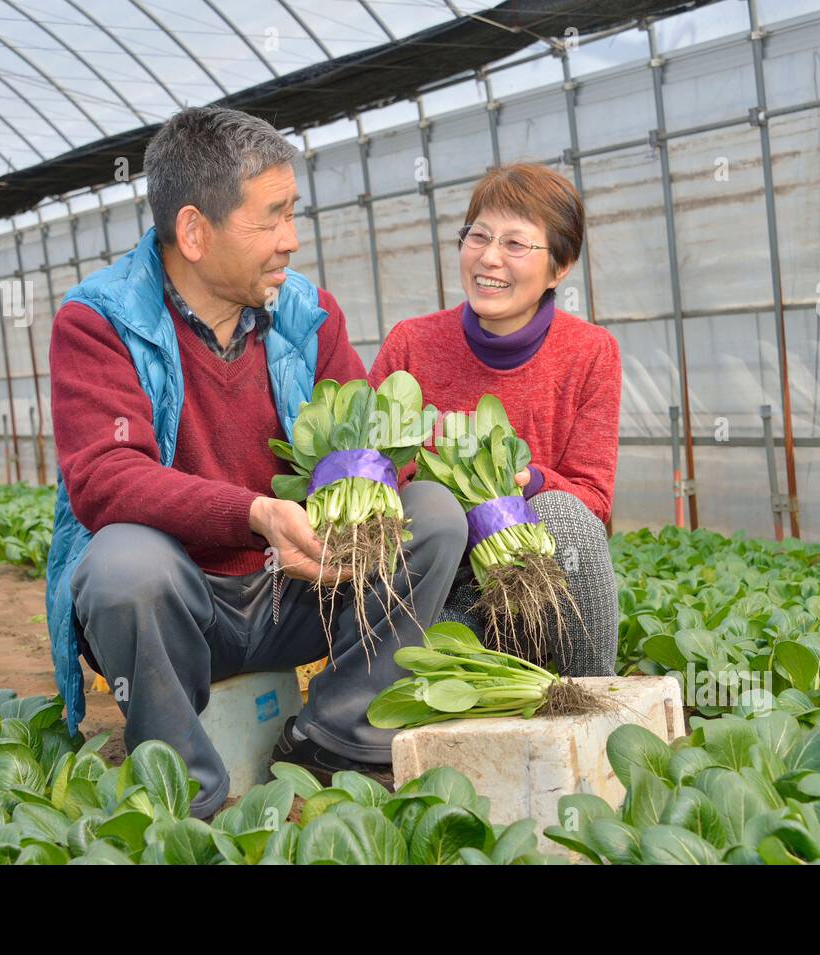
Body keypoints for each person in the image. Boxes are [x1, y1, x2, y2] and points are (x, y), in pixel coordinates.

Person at [45, 106, 468, 820]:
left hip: (301, 587)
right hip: (184, 606)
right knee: (123, 567)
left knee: (429, 519)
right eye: (271, 219)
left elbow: (371, 445)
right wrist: (255, 514)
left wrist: (359, 500)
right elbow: (105, 477)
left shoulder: (309, 315)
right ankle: (186, 796)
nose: (291, 241)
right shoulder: (99, 321)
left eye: (292, 214)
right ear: (194, 232)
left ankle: (333, 739)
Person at [369, 162, 621, 677]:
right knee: (436, 654)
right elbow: (374, 470)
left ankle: (591, 693)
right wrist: (435, 491)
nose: (488, 258)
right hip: (442, 583)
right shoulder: (412, 344)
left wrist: (530, 485)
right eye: (478, 236)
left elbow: (594, 500)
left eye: (515, 244)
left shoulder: (591, 352)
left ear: (559, 266)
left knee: (566, 513)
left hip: (536, 579)